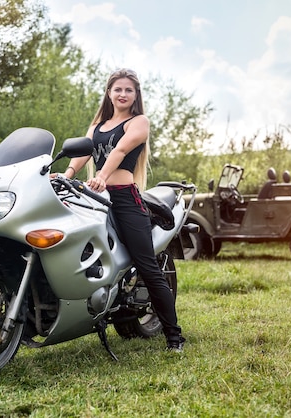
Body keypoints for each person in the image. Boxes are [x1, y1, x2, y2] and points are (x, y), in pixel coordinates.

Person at [62, 68, 186, 353]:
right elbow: (84, 152)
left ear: (135, 95)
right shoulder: (97, 125)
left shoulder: (139, 122)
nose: (123, 94)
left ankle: (174, 336)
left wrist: (102, 177)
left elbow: (118, 151)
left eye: (128, 90)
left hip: (125, 199)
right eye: (118, 89)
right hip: (95, 197)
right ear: (109, 93)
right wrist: (66, 175)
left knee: (148, 266)